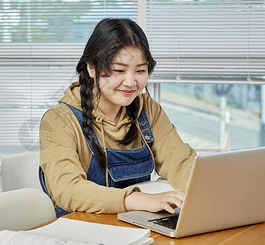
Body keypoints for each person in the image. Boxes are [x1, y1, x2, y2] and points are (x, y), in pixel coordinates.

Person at [39, 18, 196, 217]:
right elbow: (67, 189)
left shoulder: (148, 109)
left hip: (137, 224)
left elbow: (181, 163)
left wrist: (203, 190)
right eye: (119, 70)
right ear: (92, 68)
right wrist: (138, 200)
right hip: (83, 231)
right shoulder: (59, 120)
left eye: (140, 70)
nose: (131, 82)